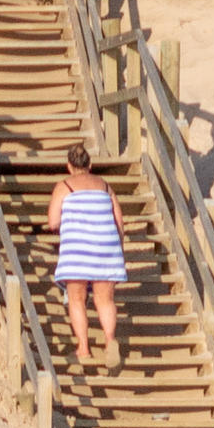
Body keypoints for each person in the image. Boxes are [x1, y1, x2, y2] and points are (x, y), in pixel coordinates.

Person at [49, 137, 128, 366]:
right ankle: (110, 340)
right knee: (105, 300)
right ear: (90, 165)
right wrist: (119, 249)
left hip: (78, 250)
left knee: (77, 298)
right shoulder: (105, 186)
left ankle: (83, 348)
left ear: (69, 166)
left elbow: (53, 222)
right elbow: (119, 222)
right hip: (106, 247)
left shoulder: (64, 186)